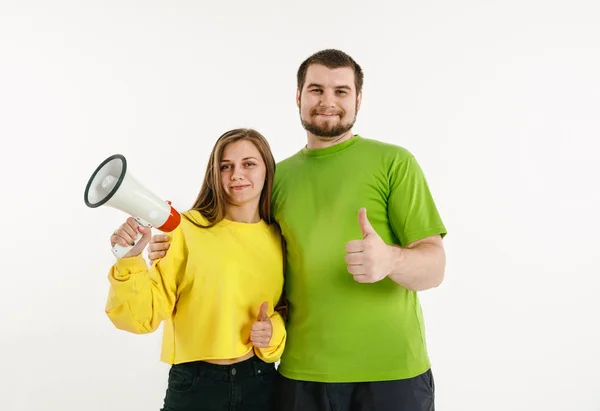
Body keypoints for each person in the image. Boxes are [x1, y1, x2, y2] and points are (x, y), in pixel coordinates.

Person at [148, 49, 447, 411]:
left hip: (392, 373)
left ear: (358, 99)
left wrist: (390, 261)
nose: (328, 101)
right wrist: (175, 244)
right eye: (316, 89)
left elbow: (435, 268)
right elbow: (234, 240)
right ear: (298, 97)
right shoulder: (275, 178)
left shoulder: (395, 162)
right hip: (302, 375)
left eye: (341, 91)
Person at [104, 128, 286, 411]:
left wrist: (272, 332)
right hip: (195, 385)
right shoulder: (185, 228)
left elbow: (285, 311)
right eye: (226, 166)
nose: (237, 174)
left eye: (249, 164)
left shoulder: (279, 238)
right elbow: (141, 317)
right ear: (215, 174)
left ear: (267, 170)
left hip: (260, 382)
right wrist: (130, 261)